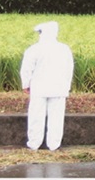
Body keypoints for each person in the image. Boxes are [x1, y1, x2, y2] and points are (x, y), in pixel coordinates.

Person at [20, 21, 74, 151]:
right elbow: (69, 69)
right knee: (56, 117)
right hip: (59, 88)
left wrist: (26, 84)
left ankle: (34, 143)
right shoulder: (64, 49)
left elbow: (27, 68)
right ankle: (54, 145)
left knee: (36, 116)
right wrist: (67, 86)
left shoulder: (34, 49)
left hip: (39, 88)